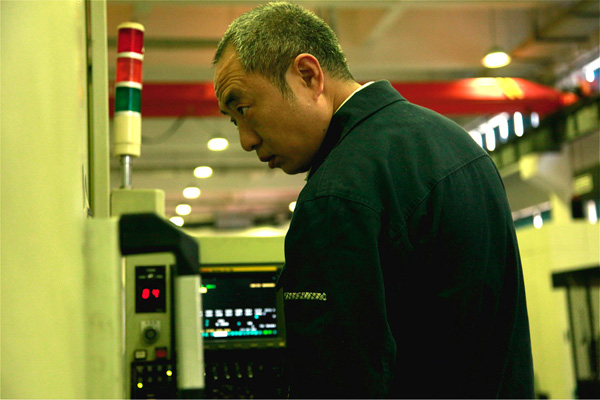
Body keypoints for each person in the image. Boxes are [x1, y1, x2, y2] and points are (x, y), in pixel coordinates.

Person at [213, 2, 534, 398]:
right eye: (234, 122)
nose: (246, 139)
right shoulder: (458, 145)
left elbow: (334, 384)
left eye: (244, 109)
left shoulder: (336, 197)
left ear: (308, 75)